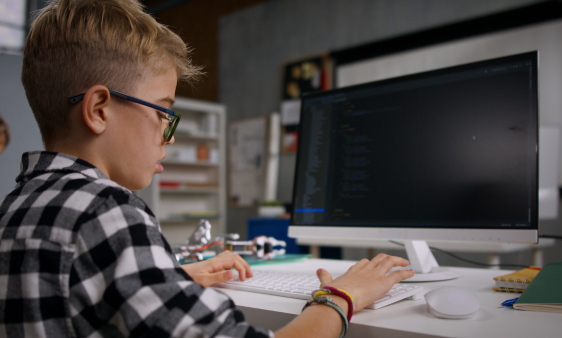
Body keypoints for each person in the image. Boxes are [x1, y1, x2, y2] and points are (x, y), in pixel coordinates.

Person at [0, 0, 415, 337]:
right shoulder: (106, 211)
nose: (170, 134)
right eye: (163, 112)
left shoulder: (17, 205)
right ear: (99, 109)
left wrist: (168, 277)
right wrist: (341, 296)